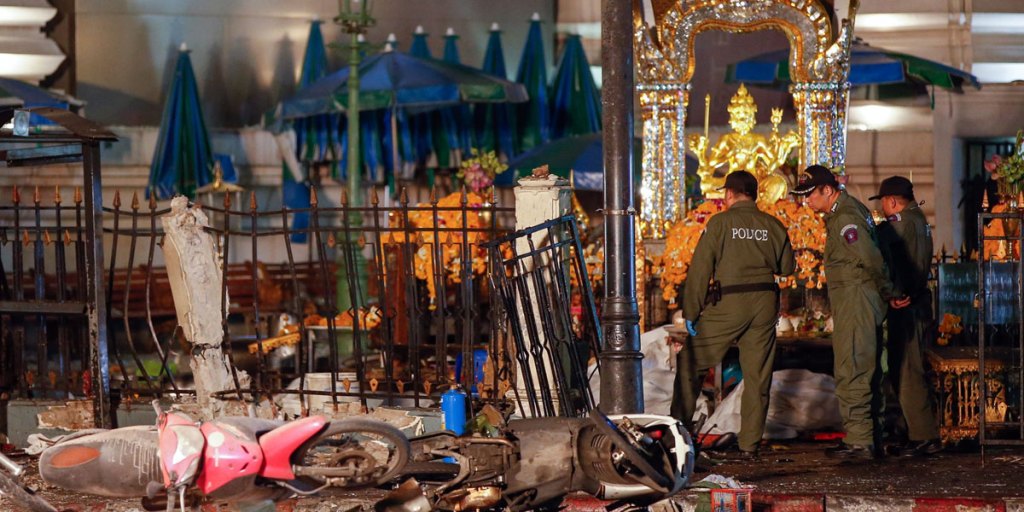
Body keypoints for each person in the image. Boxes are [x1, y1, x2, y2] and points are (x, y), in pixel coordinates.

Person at [671, 171, 795, 459]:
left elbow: (701, 269)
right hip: (765, 303)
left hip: (730, 301)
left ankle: (676, 435)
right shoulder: (773, 224)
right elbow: (787, 268)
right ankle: (750, 444)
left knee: (691, 361)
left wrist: (691, 310)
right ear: (754, 194)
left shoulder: (721, 223)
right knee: (758, 376)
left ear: (729, 194)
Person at [791, 165, 893, 460]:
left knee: (853, 367)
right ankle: (870, 436)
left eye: (810, 194)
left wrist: (889, 290)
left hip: (856, 298)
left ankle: (861, 441)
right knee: (864, 367)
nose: (806, 201)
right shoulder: (846, 212)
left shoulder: (846, 217)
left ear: (827, 190)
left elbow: (870, 258)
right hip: (859, 297)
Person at [870, 176, 942, 457]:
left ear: (891, 201)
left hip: (907, 304)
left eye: (884, 205)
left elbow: (881, 245)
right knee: (907, 367)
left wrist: (895, 292)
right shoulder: (919, 218)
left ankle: (924, 435)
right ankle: (912, 432)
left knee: (907, 371)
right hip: (917, 302)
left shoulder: (902, 220)